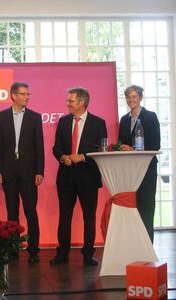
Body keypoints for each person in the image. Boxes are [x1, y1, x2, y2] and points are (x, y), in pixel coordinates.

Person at [50, 87, 107, 266]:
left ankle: (88, 254)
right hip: (66, 176)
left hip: (88, 177)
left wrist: (83, 156)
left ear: (82, 102)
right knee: (64, 216)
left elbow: (102, 150)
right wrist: (63, 157)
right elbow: (56, 147)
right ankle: (62, 253)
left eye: (71, 101)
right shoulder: (63, 121)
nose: (67, 103)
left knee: (89, 217)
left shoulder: (98, 123)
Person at [0, 82, 44, 264]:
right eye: (23, 94)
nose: (27, 97)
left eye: (28, 94)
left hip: (29, 172)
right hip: (8, 172)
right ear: (13, 95)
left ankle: (34, 250)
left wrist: (40, 171)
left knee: (31, 212)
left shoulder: (35, 117)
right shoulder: (1, 117)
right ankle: (13, 249)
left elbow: (39, 147)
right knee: (12, 213)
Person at [118, 85, 160, 242]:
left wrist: (133, 148)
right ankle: (134, 243)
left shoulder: (150, 116)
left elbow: (155, 144)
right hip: (129, 169)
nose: (131, 100)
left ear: (141, 98)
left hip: (147, 168)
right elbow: (121, 142)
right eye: (128, 97)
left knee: (146, 206)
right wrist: (120, 148)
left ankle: (148, 244)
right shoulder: (124, 119)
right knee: (131, 207)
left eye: (134, 97)